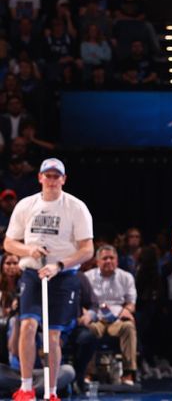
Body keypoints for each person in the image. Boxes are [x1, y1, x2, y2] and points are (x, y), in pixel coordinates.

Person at [3, 158, 94, 401]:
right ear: (40, 178)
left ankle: (52, 392)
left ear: (63, 179)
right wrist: (28, 251)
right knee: (27, 325)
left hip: (63, 276)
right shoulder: (26, 205)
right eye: (48, 175)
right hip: (33, 273)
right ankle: (25, 388)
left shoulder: (76, 207)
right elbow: (9, 242)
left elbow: (87, 250)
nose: (52, 180)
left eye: (57, 176)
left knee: (53, 336)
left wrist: (59, 264)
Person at [84, 245, 138, 385]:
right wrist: (85, 314)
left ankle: (128, 373)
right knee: (87, 330)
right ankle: (89, 372)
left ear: (117, 260)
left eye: (112, 258)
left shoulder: (126, 277)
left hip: (117, 319)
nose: (108, 261)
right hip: (96, 318)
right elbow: (81, 302)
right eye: (105, 258)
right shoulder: (87, 277)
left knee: (128, 327)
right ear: (97, 262)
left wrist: (128, 310)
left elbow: (131, 303)